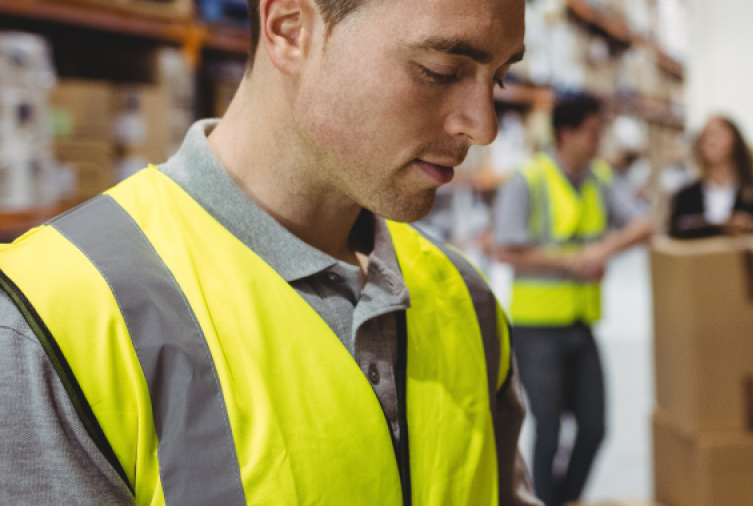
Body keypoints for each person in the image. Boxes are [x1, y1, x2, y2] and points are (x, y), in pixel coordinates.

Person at [0, 0, 543, 505]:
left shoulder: (464, 299)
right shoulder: (57, 316)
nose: (484, 126)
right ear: (289, 28)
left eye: (498, 77)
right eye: (441, 70)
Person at [492, 94, 654, 506]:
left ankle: (563, 499)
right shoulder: (528, 180)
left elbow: (642, 224)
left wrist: (602, 252)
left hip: (582, 323)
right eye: (593, 132)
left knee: (595, 428)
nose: (601, 140)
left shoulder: (599, 178)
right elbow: (506, 250)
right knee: (548, 431)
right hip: (537, 328)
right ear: (566, 133)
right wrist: (572, 262)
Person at [668, 116, 753, 239]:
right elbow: (673, 233)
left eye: (718, 134)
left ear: (735, 141)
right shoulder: (686, 196)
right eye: (706, 135)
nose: (711, 140)